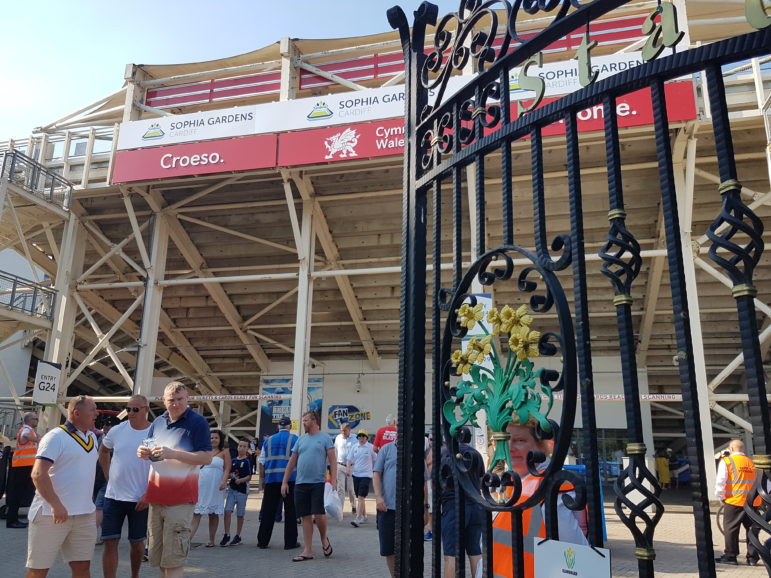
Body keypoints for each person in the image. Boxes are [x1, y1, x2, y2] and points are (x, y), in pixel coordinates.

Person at [492, 420, 588, 578]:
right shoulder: (513, 484)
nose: (510, 447)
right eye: (506, 439)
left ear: (541, 446)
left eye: (520, 440)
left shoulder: (552, 490)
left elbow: (577, 559)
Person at [137, 381, 212, 578]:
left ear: (187, 398)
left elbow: (206, 458)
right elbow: (153, 452)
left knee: (174, 560)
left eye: (180, 399)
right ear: (164, 401)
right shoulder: (158, 422)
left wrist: (174, 453)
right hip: (156, 498)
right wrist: (144, 452)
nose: (176, 404)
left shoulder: (198, 422)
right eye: (171, 400)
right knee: (160, 559)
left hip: (180, 499)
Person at [25, 395, 99, 578]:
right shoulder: (55, 437)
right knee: (39, 570)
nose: (97, 413)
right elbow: (38, 474)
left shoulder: (92, 438)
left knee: (82, 566)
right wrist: (56, 504)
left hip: (84, 515)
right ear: (76, 413)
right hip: (50, 515)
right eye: (92, 410)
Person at [99, 395, 152, 578]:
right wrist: (107, 474)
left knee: (137, 543)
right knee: (110, 541)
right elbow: (104, 450)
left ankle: (134, 575)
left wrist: (149, 494)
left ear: (146, 409)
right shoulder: (117, 430)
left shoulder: (155, 432)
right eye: (128, 409)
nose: (130, 413)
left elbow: (162, 467)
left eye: (135, 409)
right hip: (113, 496)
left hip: (140, 499)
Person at [281, 410, 336, 562]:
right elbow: (291, 462)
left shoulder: (325, 438)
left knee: (318, 515)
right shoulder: (300, 440)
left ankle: (324, 538)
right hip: (300, 484)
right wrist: (285, 482)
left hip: (318, 482)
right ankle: (308, 550)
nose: (303, 423)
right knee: (305, 516)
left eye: (305, 420)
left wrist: (334, 481)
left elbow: (333, 461)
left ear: (314, 421)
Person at [440, 426, 485, 577]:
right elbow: (480, 479)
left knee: (450, 555)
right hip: (475, 506)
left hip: (454, 506)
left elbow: (438, 480)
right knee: (475, 552)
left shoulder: (446, 452)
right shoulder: (476, 454)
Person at [714, 439, 759, 566]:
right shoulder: (752, 462)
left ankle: (731, 556)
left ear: (731, 449)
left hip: (734, 501)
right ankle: (752, 558)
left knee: (731, 529)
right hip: (752, 502)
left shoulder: (727, 461)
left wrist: (721, 496)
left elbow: (721, 481)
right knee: (752, 530)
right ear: (742, 449)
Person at [257, 416, 299, 550]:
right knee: (291, 512)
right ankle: (290, 542)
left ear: (278, 427)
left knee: (268, 512)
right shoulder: (295, 440)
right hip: (290, 480)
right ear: (290, 427)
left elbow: (261, 462)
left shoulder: (268, 441)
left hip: (271, 480)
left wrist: (262, 480)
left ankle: (262, 541)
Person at [191, 429, 230, 547]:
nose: (213, 440)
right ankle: (187, 540)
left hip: (216, 485)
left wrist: (224, 481)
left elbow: (227, 468)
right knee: (197, 512)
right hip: (201, 483)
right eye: (211, 438)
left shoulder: (224, 452)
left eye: (216, 438)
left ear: (220, 439)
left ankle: (211, 540)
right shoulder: (202, 451)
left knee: (213, 514)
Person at [7, 411, 40, 529]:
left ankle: (13, 519)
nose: (37, 421)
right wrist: (37, 439)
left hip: (23, 466)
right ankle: (12, 521)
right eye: (35, 419)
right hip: (22, 466)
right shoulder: (26, 430)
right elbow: (24, 436)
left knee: (19, 493)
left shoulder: (28, 430)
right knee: (17, 494)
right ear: (29, 420)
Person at [373, 433, 398, 577]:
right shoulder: (386, 449)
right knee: (389, 548)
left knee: (409, 547)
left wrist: (425, 507)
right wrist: (378, 497)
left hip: (408, 509)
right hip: (388, 507)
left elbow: (425, 480)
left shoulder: (415, 450)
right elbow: (376, 473)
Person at [221, 438, 252, 547]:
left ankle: (238, 535)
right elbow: (228, 472)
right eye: (240, 446)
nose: (242, 448)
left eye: (244, 446)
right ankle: (227, 533)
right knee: (227, 511)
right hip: (232, 490)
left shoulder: (248, 461)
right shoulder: (233, 460)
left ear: (247, 449)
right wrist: (230, 476)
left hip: (242, 491)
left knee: (240, 514)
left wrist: (241, 480)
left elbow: (249, 476)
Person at [349, 429, 376, 527]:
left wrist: (375, 471)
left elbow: (376, 459)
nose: (361, 438)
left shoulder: (371, 448)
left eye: (363, 436)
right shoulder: (354, 447)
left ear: (367, 438)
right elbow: (349, 458)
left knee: (360, 497)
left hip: (366, 475)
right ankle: (364, 515)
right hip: (356, 474)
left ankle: (358, 518)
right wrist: (348, 469)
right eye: (359, 436)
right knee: (360, 497)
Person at [334, 421, 357, 515]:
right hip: (340, 466)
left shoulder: (355, 438)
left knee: (351, 489)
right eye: (341, 431)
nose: (343, 432)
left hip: (351, 467)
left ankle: (353, 505)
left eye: (344, 431)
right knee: (341, 489)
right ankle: (340, 509)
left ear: (349, 430)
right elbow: (335, 451)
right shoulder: (338, 438)